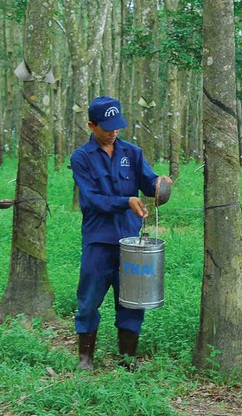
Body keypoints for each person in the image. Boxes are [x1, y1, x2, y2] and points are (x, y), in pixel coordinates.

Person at [70, 96, 172, 370]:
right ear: (91, 125)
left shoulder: (132, 153)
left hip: (131, 241)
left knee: (132, 299)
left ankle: (127, 359)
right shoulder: (81, 158)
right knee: (89, 299)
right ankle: (85, 359)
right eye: (107, 127)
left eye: (117, 126)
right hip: (98, 241)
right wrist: (125, 201)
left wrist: (160, 184)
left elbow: (148, 181)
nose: (114, 132)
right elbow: (91, 200)